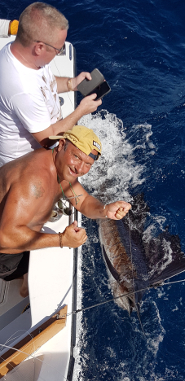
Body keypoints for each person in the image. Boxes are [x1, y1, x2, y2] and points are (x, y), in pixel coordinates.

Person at [0, 125, 131, 297]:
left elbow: (82, 200)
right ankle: (23, 280)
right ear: (61, 145)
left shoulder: (61, 169)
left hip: (21, 233)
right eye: (76, 157)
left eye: (88, 164)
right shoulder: (33, 181)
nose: (80, 169)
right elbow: (5, 237)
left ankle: (24, 279)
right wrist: (62, 240)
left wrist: (105, 210)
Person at [0, 2, 102, 166]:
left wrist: (71, 84)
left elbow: (44, 81)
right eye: (58, 49)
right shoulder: (23, 89)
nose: (59, 52)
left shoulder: (19, 53)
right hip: (26, 162)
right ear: (39, 48)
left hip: (47, 133)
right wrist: (81, 111)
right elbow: (48, 140)